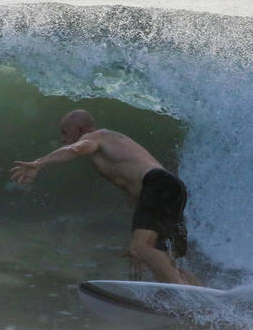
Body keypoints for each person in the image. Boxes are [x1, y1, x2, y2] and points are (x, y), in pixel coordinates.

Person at [10, 109, 201, 285]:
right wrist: (138, 242)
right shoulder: (115, 144)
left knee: (142, 248)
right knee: (161, 256)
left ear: (81, 129)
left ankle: (179, 295)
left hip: (158, 184)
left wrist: (39, 163)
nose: (62, 139)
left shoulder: (96, 137)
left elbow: (74, 150)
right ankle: (202, 301)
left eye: (65, 132)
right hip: (172, 188)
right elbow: (138, 199)